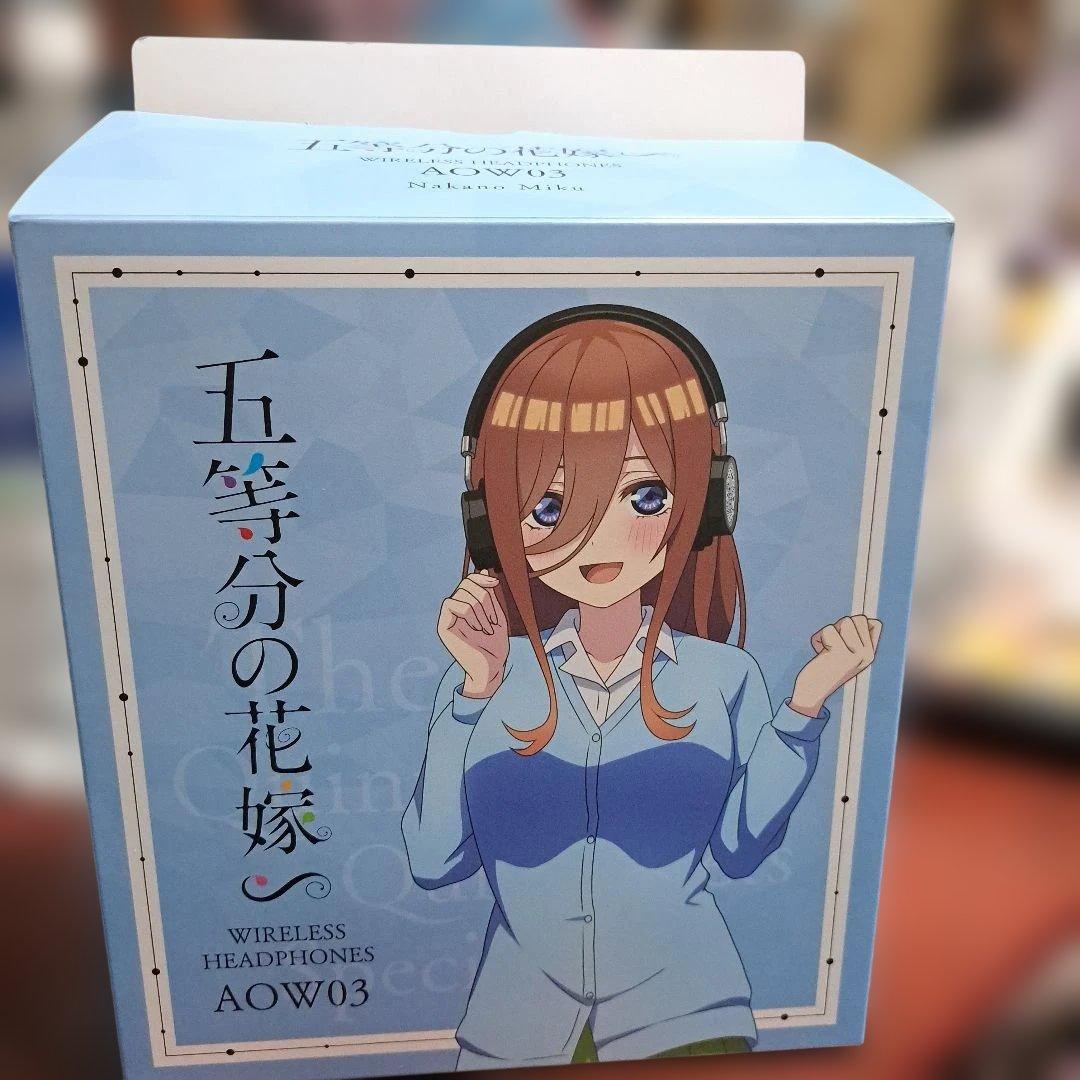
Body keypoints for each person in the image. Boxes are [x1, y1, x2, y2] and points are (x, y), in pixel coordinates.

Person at [402, 309, 881, 1068]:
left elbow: (740, 851)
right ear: (490, 525)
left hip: (687, 1012)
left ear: (710, 498)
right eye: (549, 508)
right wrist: (475, 693)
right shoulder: (483, 679)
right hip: (515, 1028)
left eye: (647, 496)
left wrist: (803, 710)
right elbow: (434, 862)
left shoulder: (724, 677)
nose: (600, 539)